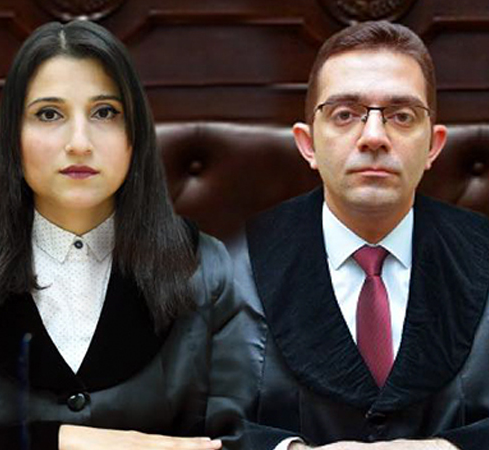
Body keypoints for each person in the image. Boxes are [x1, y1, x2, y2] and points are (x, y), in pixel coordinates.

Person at [0, 19, 239, 450]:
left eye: (105, 112)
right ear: (13, 138)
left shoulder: (206, 271)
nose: (79, 142)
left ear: (135, 135)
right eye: (49, 114)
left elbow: (253, 428)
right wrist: (64, 441)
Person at [208, 20, 489, 450]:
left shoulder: (482, 254)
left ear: (433, 146)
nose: (374, 137)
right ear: (308, 144)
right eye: (345, 114)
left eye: (401, 116)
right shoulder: (225, 273)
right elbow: (189, 417)